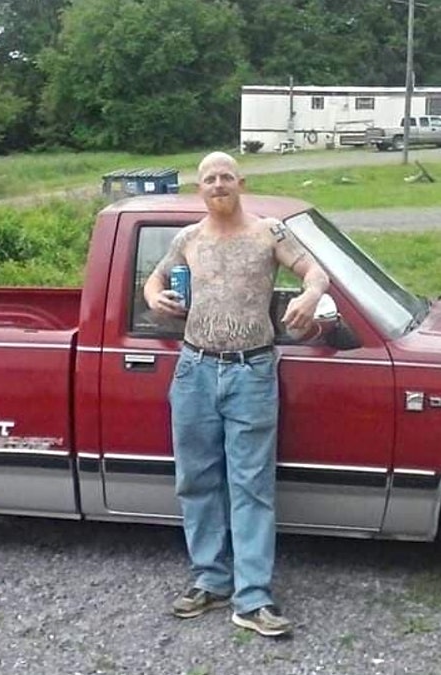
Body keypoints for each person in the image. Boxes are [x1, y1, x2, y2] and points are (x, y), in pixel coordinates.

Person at [143, 151, 329, 638]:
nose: (219, 184)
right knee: (196, 481)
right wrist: (151, 294)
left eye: (226, 176)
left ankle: (252, 598)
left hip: (252, 372)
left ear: (240, 182)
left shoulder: (268, 232)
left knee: (251, 487)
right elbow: (154, 277)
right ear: (199, 189)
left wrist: (310, 296)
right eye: (209, 179)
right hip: (194, 371)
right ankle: (211, 580)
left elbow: (315, 272)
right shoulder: (188, 238)